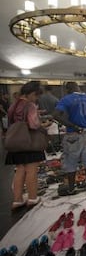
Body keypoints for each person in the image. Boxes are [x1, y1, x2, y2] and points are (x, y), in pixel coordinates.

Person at [53, 82, 86, 194]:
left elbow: (56, 115)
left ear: (68, 89)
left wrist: (72, 126)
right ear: (78, 87)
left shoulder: (66, 99)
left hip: (72, 135)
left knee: (71, 161)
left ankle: (71, 188)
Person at [5, 81, 45, 210]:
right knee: (31, 170)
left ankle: (17, 200)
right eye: (36, 96)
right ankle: (32, 198)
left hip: (15, 141)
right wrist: (43, 125)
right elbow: (33, 125)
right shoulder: (30, 105)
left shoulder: (13, 105)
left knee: (20, 170)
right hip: (29, 141)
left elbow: (10, 123)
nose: (36, 98)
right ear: (32, 93)